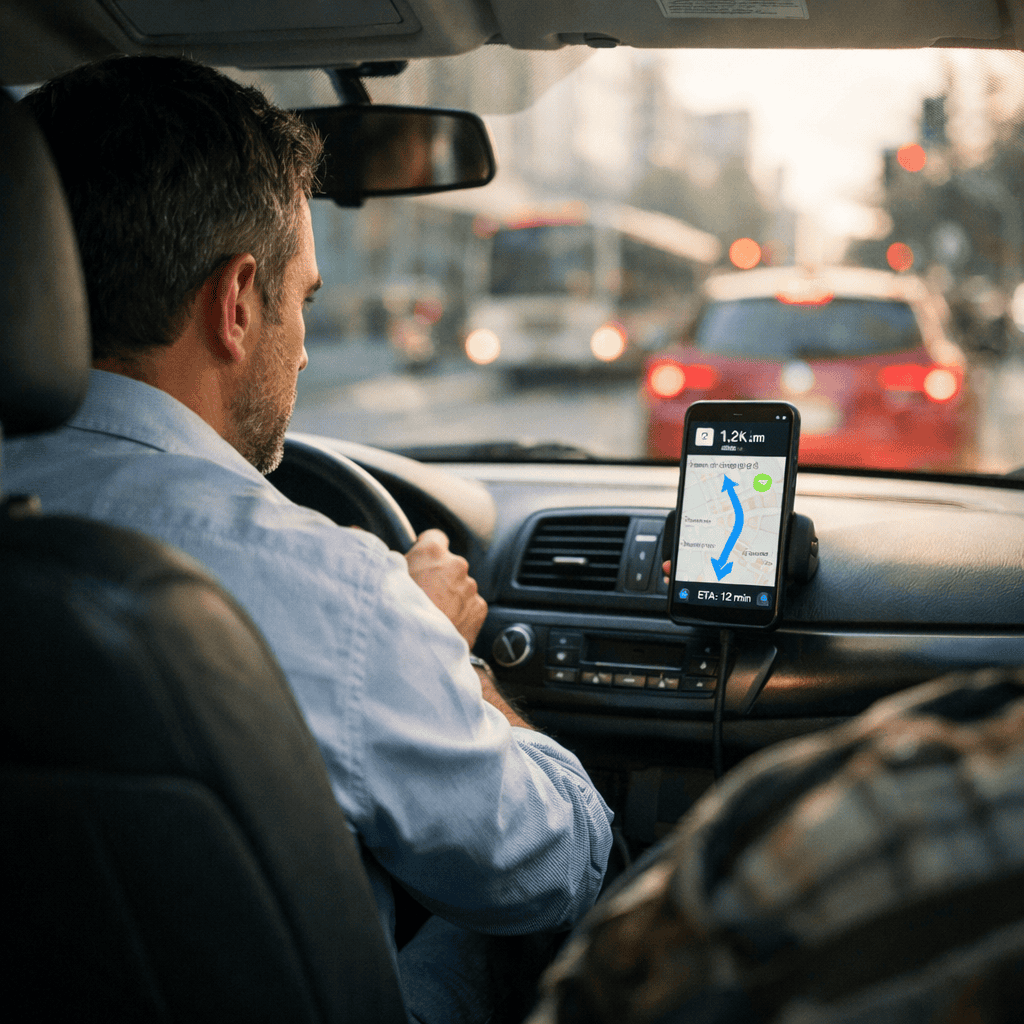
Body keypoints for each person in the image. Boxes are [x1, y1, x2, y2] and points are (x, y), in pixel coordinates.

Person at [4, 55, 613, 1024]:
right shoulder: (335, 593)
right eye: (306, 300)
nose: (302, 347)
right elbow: (556, 867)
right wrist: (447, 660)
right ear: (238, 302)